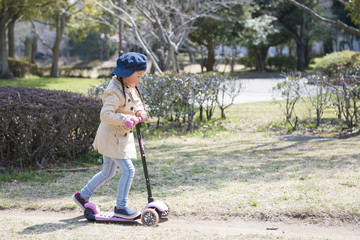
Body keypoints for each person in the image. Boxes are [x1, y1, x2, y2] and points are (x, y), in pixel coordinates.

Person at [73, 52, 148, 219]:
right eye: (138, 76)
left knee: (108, 172)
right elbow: (105, 115)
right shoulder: (114, 91)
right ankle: (121, 207)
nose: (139, 80)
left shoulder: (129, 86)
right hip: (111, 137)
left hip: (119, 136)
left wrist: (140, 111)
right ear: (127, 74)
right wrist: (126, 118)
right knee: (128, 170)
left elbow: (136, 102)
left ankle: (82, 196)